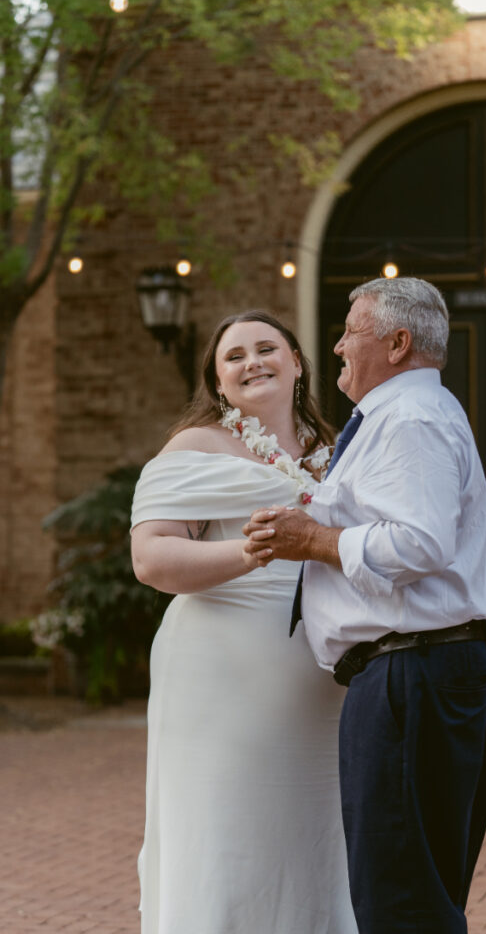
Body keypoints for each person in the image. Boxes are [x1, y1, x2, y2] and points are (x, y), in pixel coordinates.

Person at [244, 277, 486, 934]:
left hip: (411, 673)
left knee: (398, 897)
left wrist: (311, 539)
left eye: (349, 330)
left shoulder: (409, 418)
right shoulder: (405, 416)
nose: (335, 345)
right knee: (416, 888)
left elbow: (418, 544)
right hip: (424, 668)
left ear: (396, 343)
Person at [130, 309, 358, 934]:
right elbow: (150, 557)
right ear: (219, 382)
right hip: (220, 674)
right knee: (229, 828)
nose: (252, 361)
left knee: (314, 833)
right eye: (235, 356)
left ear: (297, 364)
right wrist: (250, 552)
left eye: (267, 348)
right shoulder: (196, 446)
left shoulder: (337, 451)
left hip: (320, 682)